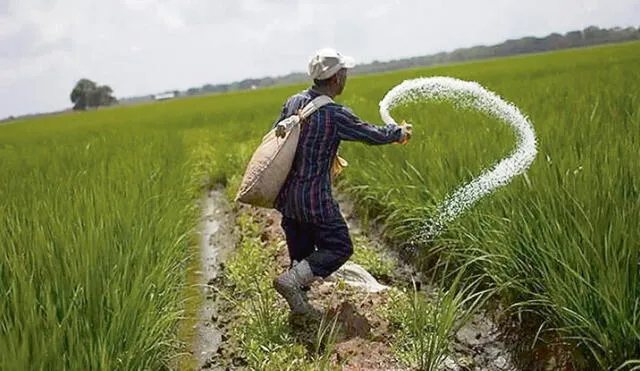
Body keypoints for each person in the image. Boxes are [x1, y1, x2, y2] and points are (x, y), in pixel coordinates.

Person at [271, 48, 412, 315]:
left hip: (288, 198)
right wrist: (398, 132)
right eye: (344, 73)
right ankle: (291, 283)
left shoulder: (293, 102)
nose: (346, 77)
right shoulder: (334, 114)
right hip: (315, 199)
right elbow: (370, 134)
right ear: (336, 79)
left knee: (301, 253)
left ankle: (299, 308)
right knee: (339, 246)